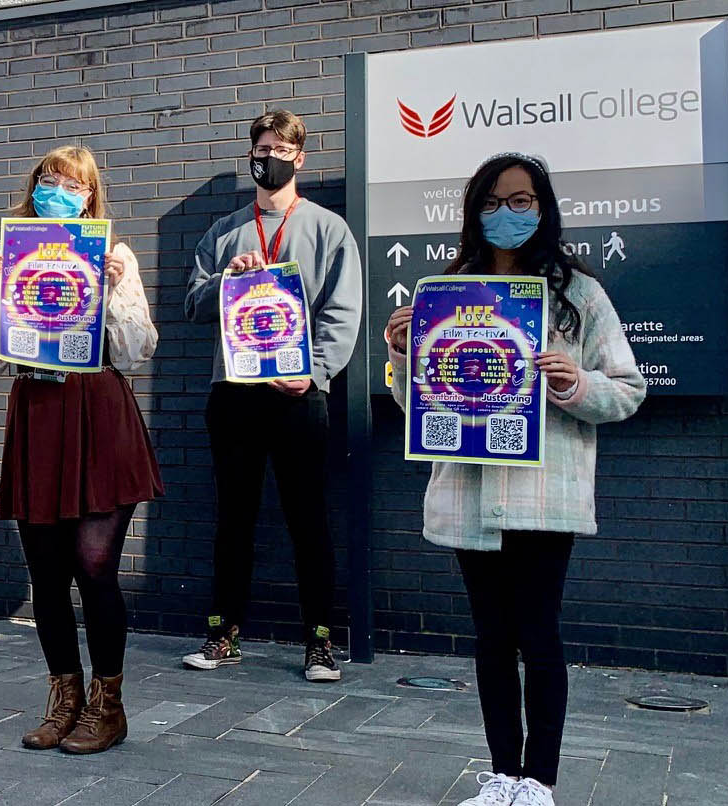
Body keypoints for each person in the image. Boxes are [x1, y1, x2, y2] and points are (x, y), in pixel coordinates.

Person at [386, 152, 644, 806]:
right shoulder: (444, 295)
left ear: (544, 207)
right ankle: (503, 775)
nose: (507, 214)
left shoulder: (579, 297)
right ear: (474, 211)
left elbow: (627, 390)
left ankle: (540, 783)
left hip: (543, 494)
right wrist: (401, 353)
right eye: (494, 202)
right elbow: (416, 406)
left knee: (538, 634)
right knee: (492, 640)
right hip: (469, 490)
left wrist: (573, 382)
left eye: (521, 201)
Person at [0, 145, 160, 755]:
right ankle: (63, 699)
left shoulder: (114, 255)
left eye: (74, 184)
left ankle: (109, 706)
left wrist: (111, 292)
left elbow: (137, 351)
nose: (60, 190)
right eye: (50, 180)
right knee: (46, 578)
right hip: (40, 416)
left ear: (91, 194)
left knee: (95, 570)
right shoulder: (14, 255)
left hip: (98, 415)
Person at [182, 109, 363, 682]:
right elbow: (191, 305)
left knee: (308, 519)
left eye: (280, 149)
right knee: (233, 519)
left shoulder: (327, 229)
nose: (269, 158)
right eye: (260, 149)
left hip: (297, 394)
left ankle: (320, 641)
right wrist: (225, 281)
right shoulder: (225, 232)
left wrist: (316, 371)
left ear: (299, 157)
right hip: (233, 392)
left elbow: (342, 309)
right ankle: (223, 634)